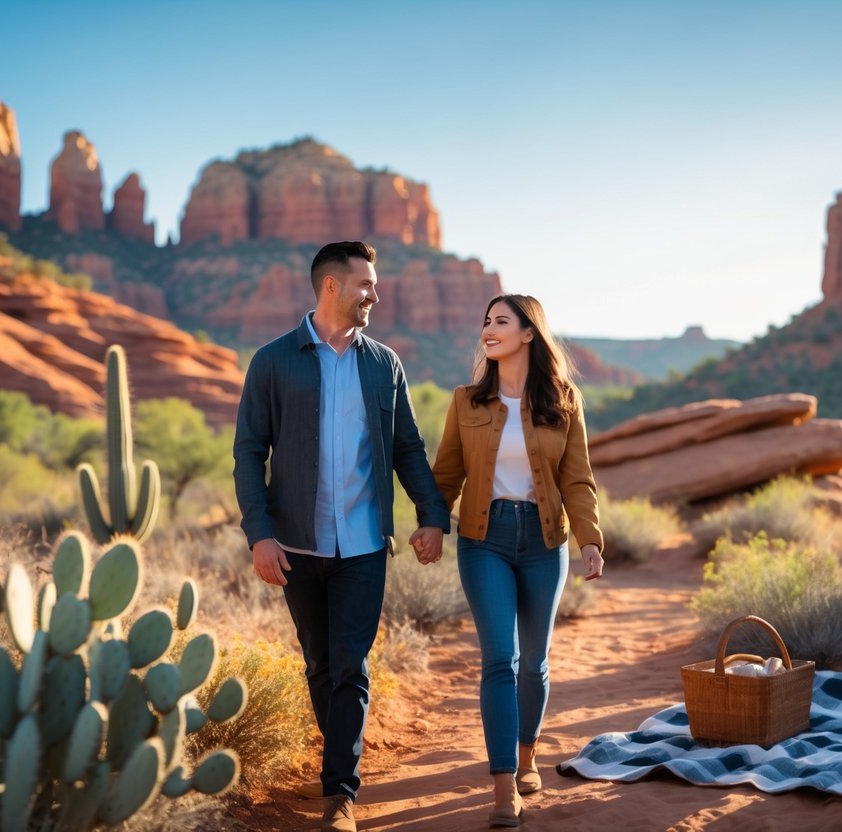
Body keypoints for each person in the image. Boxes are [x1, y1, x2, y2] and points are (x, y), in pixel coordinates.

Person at [233, 241, 449, 832]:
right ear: (331, 286)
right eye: (366, 285)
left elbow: (408, 447)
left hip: (362, 544)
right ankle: (339, 763)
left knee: (350, 666)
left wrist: (431, 515)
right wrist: (260, 534)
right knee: (320, 664)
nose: (374, 294)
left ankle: (340, 796)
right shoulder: (274, 361)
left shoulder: (384, 364)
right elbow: (250, 452)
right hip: (296, 545)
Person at [432, 294, 605, 828]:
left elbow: (577, 478)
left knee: (535, 662)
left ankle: (528, 753)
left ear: (529, 333)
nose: (488, 329)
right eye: (485, 321)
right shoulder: (466, 400)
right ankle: (504, 784)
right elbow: (446, 475)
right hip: (483, 538)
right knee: (499, 659)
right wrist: (432, 525)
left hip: (543, 539)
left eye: (500, 321)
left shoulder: (563, 400)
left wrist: (589, 539)